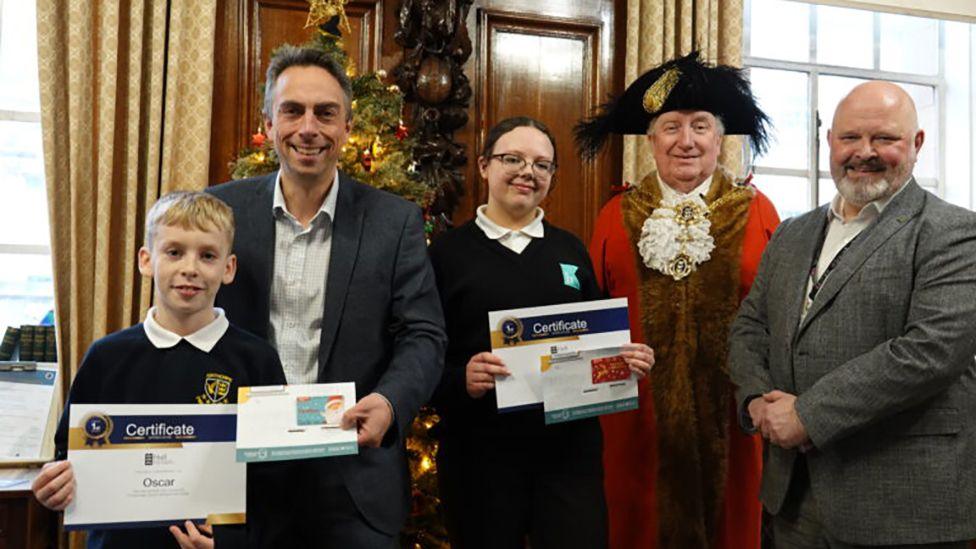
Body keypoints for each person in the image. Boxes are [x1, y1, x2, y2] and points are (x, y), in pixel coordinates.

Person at [207, 45, 446, 547]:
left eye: (326, 113)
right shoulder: (221, 211)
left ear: (346, 127)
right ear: (269, 122)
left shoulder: (393, 220)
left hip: (353, 480)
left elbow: (423, 335)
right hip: (240, 474)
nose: (308, 128)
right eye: (292, 111)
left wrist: (388, 402)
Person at [730, 81, 976, 548]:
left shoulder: (956, 232)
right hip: (792, 501)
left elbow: (931, 351)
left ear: (917, 143)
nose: (864, 152)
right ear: (829, 142)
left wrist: (807, 414)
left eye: (884, 138)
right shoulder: (791, 234)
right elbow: (750, 327)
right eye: (850, 138)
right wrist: (756, 399)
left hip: (903, 509)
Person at [574, 51, 780, 548]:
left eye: (700, 126)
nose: (686, 141)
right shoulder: (614, 215)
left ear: (719, 138)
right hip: (633, 425)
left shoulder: (759, 212)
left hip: (736, 426)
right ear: (650, 140)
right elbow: (587, 330)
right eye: (671, 126)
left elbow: (782, 322)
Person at [428, 116, 653, 548]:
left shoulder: (570, 249)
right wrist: (461, 379)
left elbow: (595, 344)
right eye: (512, 159)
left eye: (542, 164)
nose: (527, 172)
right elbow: (419, 355)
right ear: (483, 166)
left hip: (568, 457)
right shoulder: (445, 254)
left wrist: (625, 362)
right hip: (480, 458)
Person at [31, 191, 288, 549]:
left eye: (207, 255)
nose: (190, 268)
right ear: (147, 260)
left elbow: (275, 482)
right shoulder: (106, 357)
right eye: (174, 252)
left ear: (228, 269)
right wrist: (54, 486)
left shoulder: (258, 361)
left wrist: (231, 543)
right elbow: (67, 457)